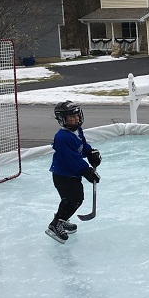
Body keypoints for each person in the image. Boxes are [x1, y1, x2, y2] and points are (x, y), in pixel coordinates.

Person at [46, 101, 101, 244]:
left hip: (72, 174)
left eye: (76, 115)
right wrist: (87, 171)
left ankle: (61, 220)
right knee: (73, 199)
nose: (75, 119)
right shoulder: (62, 137)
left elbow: (82, 145)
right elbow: (72, 159)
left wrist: (90, 152)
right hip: (63, 175)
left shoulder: (77, 130)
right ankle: (55, 224)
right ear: (62, 120)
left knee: (72, 199)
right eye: (71, 117)